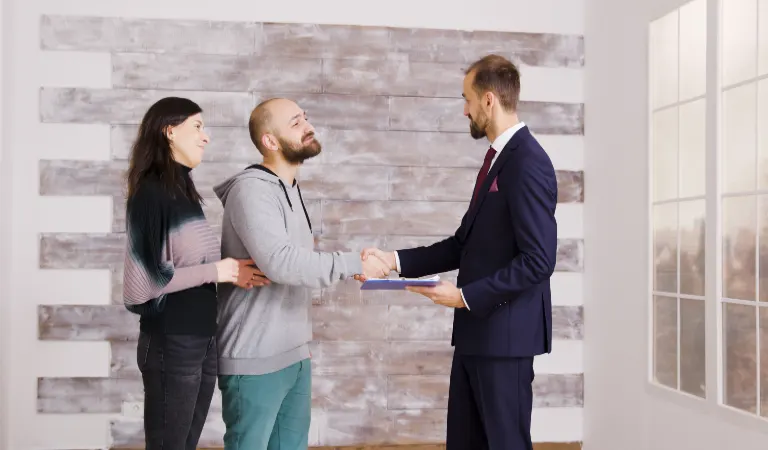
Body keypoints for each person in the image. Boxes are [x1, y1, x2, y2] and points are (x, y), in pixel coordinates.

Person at [361, 54, 558, 450]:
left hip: (504, 340)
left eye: (466, 99)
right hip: (476, 335)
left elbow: (540, 260)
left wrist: (466, 296)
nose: (463, 109)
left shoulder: (527, 162)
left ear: (489, 101)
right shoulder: (498, 159)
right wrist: (393, 260)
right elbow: (463, 244)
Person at [212, 97, 390, 450]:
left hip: (293, 355)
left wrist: (300, 346)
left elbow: (299, 263)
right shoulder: (252, 190)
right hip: (254, 359)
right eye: (295, 122)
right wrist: (353, 262)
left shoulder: (290, 188)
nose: (308, 126)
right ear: (270, 141)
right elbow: (281, 262)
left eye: (305, 118)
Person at [121, 96, 268, 450]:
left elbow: (196, 270)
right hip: (172, 341)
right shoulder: (150, 194)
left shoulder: (182, 192)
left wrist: (234, 273)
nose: (206, 137)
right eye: (197, 126)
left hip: (201, 338)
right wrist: (219, 270)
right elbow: (141, 286)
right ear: (170, 131)